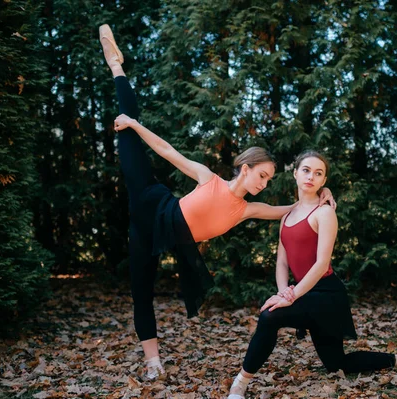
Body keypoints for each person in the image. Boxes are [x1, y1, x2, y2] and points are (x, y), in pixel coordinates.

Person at [98, 25, 336, 380]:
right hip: (149, 202)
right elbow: (166, 151)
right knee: (128, 131)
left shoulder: (246, 210)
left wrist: (322, 197)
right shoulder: (208, 178)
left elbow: (292, 210)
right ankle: (117, 67)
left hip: (151, 234)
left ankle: (153, 363)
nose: (265, 184)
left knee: (142, 293)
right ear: (245, 168)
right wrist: (133, 122)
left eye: (270, 179)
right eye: (262, 176)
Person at [227, 151, 397, 399]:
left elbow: (321, 264)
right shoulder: (286, 216)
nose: (311, 176)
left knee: (271, 317)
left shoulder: (325, 213)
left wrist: (291, 296)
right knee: (335, 363)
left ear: (323, 181)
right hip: (304, 292)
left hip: (327, 295)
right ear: (295, 173)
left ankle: (240, 383)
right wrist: (283, 291)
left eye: (318, 173)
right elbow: (281, 262)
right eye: (306, 170)